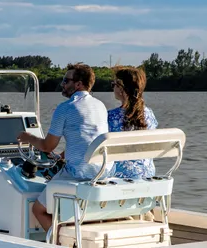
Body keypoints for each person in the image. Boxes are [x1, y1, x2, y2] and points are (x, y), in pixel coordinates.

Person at [17, 63, 109, 232]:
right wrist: (62, 156)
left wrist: (27, 137)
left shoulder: (65, 108)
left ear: (78, 84)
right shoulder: (100, 106)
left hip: (79, 174)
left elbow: (46, 146)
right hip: (103, 171)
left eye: (66, 81)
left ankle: (60, 243)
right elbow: (89, 138)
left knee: (38, 209)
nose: (62, 84)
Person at [107, 66, 158, 178]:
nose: (112, 88)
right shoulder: (149, 114)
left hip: (119, 174)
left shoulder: (111, 117)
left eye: (114, 84)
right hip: (147, 172)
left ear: (121, 88)